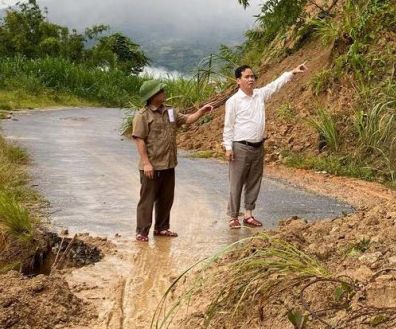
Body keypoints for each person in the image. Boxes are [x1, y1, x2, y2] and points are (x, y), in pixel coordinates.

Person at [223, 62, 308, 229]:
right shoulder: (233, 101)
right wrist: (228, 147)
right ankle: (233, 217)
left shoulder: (260, 95)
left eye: (253, 76)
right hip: (240, 146)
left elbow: (275, 85)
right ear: (238, 81)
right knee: (236, 182)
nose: (251, 79)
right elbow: (229, 126)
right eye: (247, 77)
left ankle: (248, 214)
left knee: (255, 181)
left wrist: (292, 72)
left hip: (258, 146)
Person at [132, 80, 214, 242]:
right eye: (160, 90)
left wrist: (201, 112)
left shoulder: (170, 111)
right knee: (147, 200)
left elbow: (187, 119)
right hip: (152, 166)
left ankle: (162, 228)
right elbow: (139, 140)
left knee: (166, 198)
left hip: (168, 164)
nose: (164, 92)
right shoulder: (143, 116)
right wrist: (146, 163)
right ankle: (142, 231)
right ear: (152, 95)